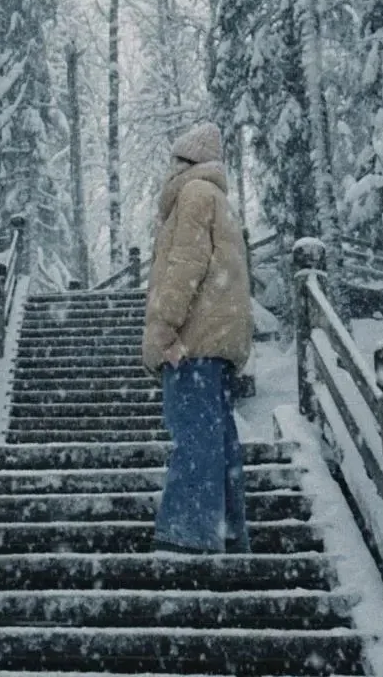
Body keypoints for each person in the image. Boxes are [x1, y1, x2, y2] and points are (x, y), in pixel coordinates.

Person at [142, 122, 254, 554]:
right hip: (217, 343)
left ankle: (188, 536)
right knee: (219, 439)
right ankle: (228, 531)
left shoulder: (192, 195)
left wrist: (164, 325)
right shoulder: (217, 199)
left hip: (192, 340)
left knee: (193, 436)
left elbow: (185, 266)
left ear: (183, 163)